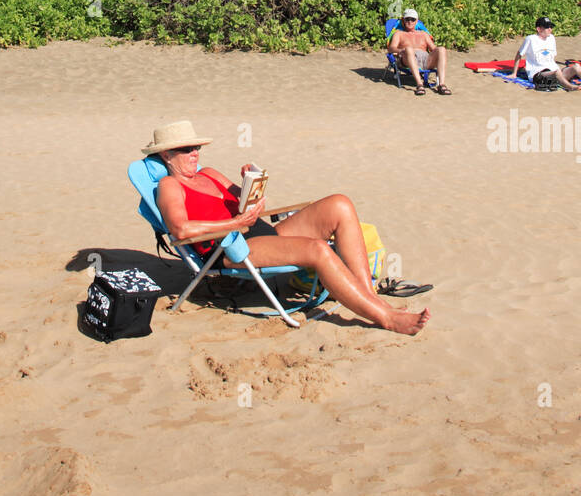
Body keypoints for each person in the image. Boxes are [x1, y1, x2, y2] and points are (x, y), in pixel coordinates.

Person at [147, 121, 431, 336]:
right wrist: (234, 224)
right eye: (186, 149)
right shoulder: (169, 185)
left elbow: (248, 204)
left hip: (259, 233)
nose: (195, 153)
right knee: (318, 250)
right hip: (233, 248)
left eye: (196, 147)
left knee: (340, 204)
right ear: (166, 156)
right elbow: (181, 230)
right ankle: (385, 317)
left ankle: (369, 295)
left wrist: (251, 183)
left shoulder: (209, 173)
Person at [510, 17, 581, 92]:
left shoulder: (551, 38)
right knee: (556, 72)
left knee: (576, 66)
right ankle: (570, 87)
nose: (550, 29)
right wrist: (514, 73)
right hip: (538, 75)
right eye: (547, 28)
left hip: (556, 74)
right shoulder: (531, 39)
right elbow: (519, 54)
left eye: (550, 27)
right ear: (539, 29)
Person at [387, 8, 451, 95]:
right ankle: (419, 84)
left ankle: (441, 84)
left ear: (416, 21)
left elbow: (433, 48)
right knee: (409, 49)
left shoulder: (423, 34)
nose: (410, 22)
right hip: (407, 58)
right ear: (403, 20)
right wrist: (401, 50)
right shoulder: (399, 34)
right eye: (407, 19)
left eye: (412, 19)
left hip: (425, 59)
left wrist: (439, 52)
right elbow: (391, 48)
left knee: (441, 49)